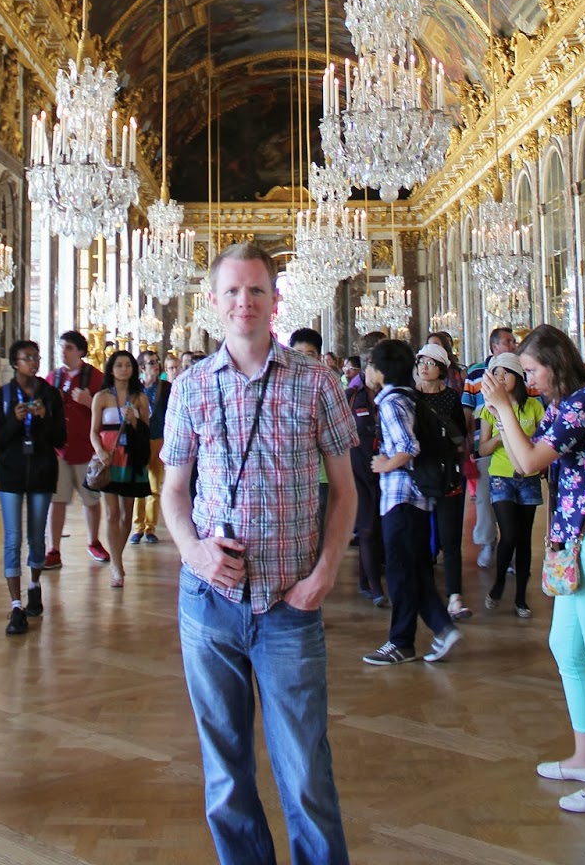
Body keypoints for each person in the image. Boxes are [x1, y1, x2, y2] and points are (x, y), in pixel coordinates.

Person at [160, 241, 358, 865]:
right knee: (225, 775)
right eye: (233, 291)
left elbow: (347, 492)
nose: (245, 301)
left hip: (288, 607)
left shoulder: (317, 382)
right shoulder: (189, 387)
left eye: (257, 290)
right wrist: (193, 552)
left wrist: (325, 572)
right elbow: (173, 490)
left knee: (304, 770)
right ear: (214, 302)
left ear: (275, 300)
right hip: (208, 606)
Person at [482, 324, 585, 815]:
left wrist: (505, 409)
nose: (527, 379)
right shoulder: (565, 403)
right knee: (566, 647)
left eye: (531, 370)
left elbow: (528, 462)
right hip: (579, 538)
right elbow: (520, 455)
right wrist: (500, 413)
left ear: (554, 361)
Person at [362, 337, 462, 667]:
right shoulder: (408, 396)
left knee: (403, 573)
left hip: (401, 500)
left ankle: (403, 641)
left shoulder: (391, 402)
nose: (367, 370)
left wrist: (384, 464)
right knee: (415, 570)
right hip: (415, 499)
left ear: (380, 370)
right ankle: (438, 628)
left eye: (370, 364)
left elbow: (409, 446)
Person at [0, 339, 66, 635]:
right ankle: (16, 604)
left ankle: (34, 585)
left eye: (36, 357)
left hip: (43, 472)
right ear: (15, 363)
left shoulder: (50, 395)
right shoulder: (2, 397)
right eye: (27, 358)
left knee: (36, 535)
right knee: (12, 538)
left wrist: (44, 419)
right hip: (11, 474)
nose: (33, 362)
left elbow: (60, 438)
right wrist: (15, 420)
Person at [479, 350, 544, 619]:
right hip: (501, 475)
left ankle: (520, 596)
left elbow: (542, 444)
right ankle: (498, 583)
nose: (500, 378)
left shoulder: (534, 407)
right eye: (496, 374)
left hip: (528, 478)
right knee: (509, 534)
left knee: (525, 537)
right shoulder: (488, 409)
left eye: (504, 373)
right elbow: (482, 448)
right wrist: (501, 434)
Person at [415, 339, 471, 620]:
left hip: (448, 473)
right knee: (422, 538)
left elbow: (461, 435)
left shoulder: (451, 398)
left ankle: (454, 596)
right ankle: (426, 595)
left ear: (441, 369)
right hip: (421, 474)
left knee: (450, 539)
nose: (425, 368)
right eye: (422, 363)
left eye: (431, 364)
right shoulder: (411, 397)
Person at [44, 330, 108, 569]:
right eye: (61, 347)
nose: (63, 351)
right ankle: (54, 549)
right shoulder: (52, 378)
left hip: (86, 448)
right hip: (59, 449)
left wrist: (89, 402)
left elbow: (108, 411)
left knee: (91, 499)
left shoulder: (96, 378)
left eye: (69, 347)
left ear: (80, 351)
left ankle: (94, 541)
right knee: (57, 500)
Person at [89, 349, 150, 587]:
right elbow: (94, 431)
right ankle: (117, 566)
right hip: (109, 456)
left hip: (132, 456)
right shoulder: (102, 397)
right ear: (111, 369)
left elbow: (146, 430)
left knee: (127, 514)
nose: (124, 369)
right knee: (112, 512)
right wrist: (100, 451)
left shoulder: (140, 398)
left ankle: (117, 554)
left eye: (128, 365)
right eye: (119, 365)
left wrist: (133, 419)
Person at [464, 326, 517, 569]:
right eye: (507, 341)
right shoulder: (475, 372)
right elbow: (467, 410)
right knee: (485, 498)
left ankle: (513, 548)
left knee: (515, 500)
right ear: (494, 346)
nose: (513, 345)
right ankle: (487, 542)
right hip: (483, 443)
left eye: (513, 341)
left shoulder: (521, 370)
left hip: (516, 445)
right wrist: (468, 446)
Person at [345, 353, 385, 604]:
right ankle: (375, 587)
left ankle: (364, 579)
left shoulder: (390, 397)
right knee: (367, 528)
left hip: (384, 469)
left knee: (376, 528)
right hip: (356, 469)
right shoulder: (351, 396)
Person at [290, 327, 329, 531]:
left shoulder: (328, 388)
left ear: (319, 357)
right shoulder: (283, 389)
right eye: (298, 354)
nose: (303, 360)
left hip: (322, 475)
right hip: (291, 476)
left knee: (319, 529)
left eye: (310, 354)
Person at [131, 348, 170, 545]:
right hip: (139, 441)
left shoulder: (166, 387)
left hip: (159, 439)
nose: (156, 365)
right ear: (141, 367)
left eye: (157, 361)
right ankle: (137, 527)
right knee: (139, 485)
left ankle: (150, 528)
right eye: (152, 362)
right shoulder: (134, 389)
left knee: (155, 486)